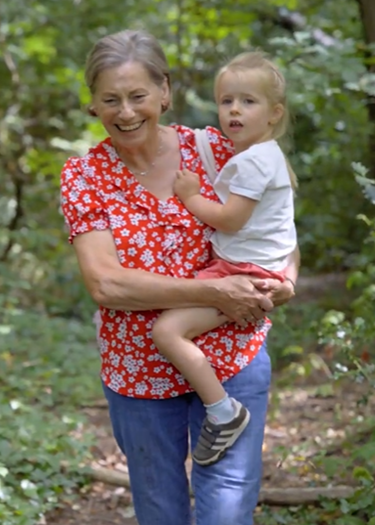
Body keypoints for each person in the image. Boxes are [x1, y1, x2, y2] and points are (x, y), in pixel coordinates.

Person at [59, 29, 299, 525]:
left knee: (227, 511)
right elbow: (106, 284)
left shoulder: (217, 149)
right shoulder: (84, 178)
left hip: (234, 353)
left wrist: (287, 279)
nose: (125, 112)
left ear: (164, 92)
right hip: (139, 371)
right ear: (94, 105)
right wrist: (214, 290)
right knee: (162, 509)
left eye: (138, 96)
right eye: (110, 99)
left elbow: (278, 225)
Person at [149, 50, 298, 468]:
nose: (234, 110)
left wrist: (190, 196)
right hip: (250, 266)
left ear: (274, 113)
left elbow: (231, 220)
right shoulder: (261, 156)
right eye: (226, 101)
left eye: (248, 101)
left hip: (245, 272)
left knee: (167, 331)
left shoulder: (254, 161)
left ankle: (222, 411)